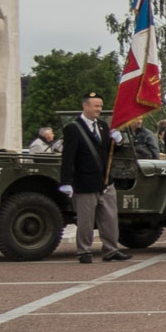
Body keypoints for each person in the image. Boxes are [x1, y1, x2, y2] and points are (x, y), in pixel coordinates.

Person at [58, 92, 129, 263]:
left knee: (110, 219)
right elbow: (68, 158)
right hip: (85, 182)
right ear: (86, 106)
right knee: (86, 221)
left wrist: (118, 142)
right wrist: (66, 182)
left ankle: (111, 250)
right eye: (96, 106)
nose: (99, 109)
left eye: (100, 106)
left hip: (105, 181)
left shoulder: (103, 126)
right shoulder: (73, 128)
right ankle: (84, 251)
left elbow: (110, 152)